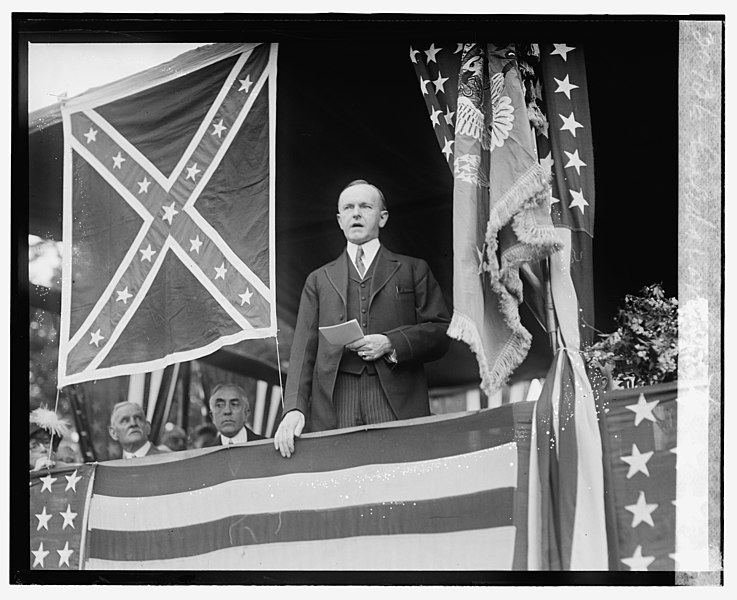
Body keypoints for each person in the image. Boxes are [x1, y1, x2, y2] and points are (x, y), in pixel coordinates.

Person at [274, 179, 450, 458]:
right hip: (335, 401)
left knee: (399, 478)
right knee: (340, 481)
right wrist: (294, 408)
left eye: (365, 206)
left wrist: (391, 343)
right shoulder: (318, 279)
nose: (356, 213)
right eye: (348, 207)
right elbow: (303, 350)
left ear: (382, 217)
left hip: (395, 399)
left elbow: (440, 332)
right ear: (339, 220)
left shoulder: (413, 269)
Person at [29, 406, 70, 471]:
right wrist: (35, 473)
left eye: (46, 442)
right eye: (34, 446)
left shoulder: (66, 470)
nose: (43, 449)